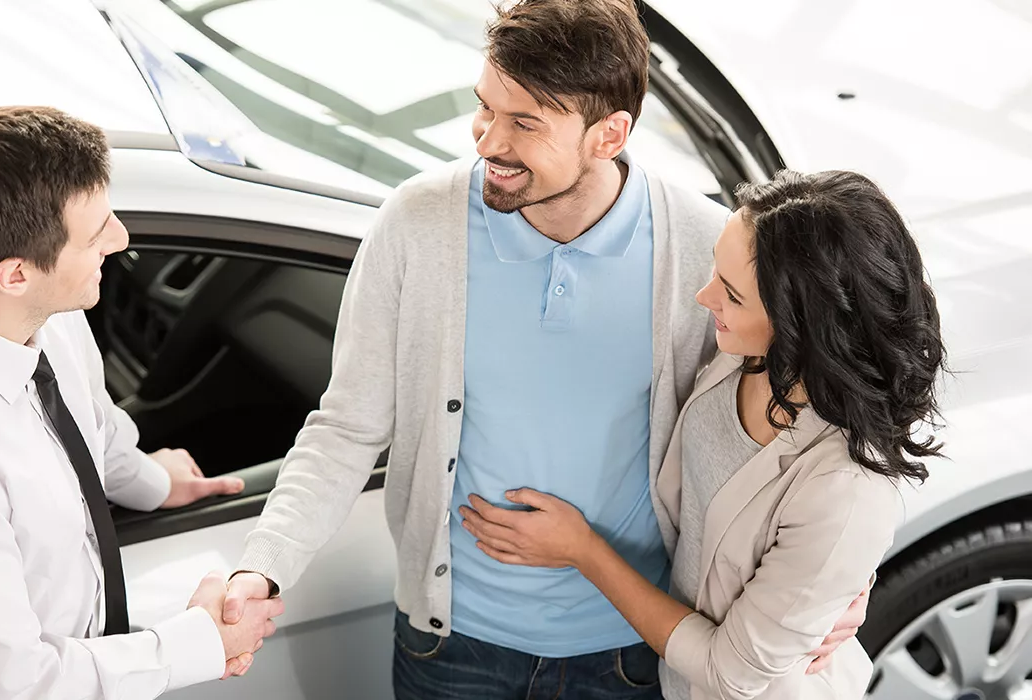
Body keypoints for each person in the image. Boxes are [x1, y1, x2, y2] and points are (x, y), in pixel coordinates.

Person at [221, 1, 864, 697]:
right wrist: (263, 565)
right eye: (485, 108)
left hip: (635, 647)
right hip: (450, 645)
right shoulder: (416, 223)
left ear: (608, 134)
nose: (488, 141)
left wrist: (840, 578)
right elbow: (346, 426)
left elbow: (807, 416)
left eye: (524, 123)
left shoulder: (704, 249)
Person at [0, 106, 283, 699]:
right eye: (97, 232)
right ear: (16, 274)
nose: (122, 239)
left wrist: (151, 481)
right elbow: (16, 688)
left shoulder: (30, 312)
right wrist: (199, 644)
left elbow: (88, 426)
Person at [461, 170, 945, 698]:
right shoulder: (750, 355)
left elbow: (730, 673)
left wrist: (583, 551)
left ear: (804, 324)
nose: (703, 295)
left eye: (731, 294)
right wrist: (836, 588)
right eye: (716, 268)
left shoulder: (845, 489)